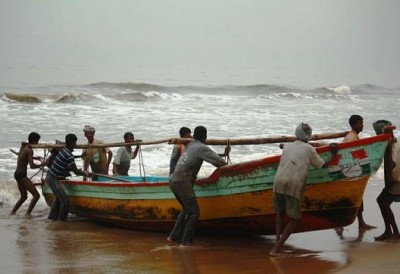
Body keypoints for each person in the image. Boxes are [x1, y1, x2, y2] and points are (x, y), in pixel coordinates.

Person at [270, 123, 338, 256]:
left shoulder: (287, 146)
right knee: (295, 219)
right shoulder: (309, 148)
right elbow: (321, 165)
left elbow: (283, 147)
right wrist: (334, 154)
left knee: (280, 213)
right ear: (309, 135)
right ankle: (276, 249)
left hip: (278, 181)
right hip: (293, 183)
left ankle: (277, 243)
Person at [167, 126, 230, 247]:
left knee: (186, 209)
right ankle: (186, 242)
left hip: (174, 181)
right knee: (194, 211)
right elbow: (220, 163)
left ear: (194, 136)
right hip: (183, 182)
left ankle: (173, 237)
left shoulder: (190, 145)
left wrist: (223, 154)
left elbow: (209, 155)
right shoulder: (201, 147)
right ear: (205, 137)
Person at [342, 115, 375, 229]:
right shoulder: (352, 138)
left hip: (351, 172)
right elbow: (348, 155)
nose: (362, 125)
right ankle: (355, 223)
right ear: (354, 125)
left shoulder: (352, 136)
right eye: (360, 123)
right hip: (351, 172)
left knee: (357, 198)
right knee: (355, 198)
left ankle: (360, 223)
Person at [45, 134, 88, 221]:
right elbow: (75, 171)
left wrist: (80, 170)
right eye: (75, 143)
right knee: (65, 202)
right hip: (53, 179)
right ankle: (61, 222)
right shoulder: (69, 155)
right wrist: (85, 173)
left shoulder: (63, 150)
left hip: (50, 177)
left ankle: (51, 219)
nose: (76, 145)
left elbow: (68, 164)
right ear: (73, 143)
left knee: (58, 200)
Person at [373, 120, 400, 241]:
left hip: (396, 180)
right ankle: (390, 231)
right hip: (397, 178)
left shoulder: (387, 146)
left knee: (382, 202)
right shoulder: (395, 142)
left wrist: (388, 185)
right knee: (382, 202)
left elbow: (390, 166)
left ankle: (394, 233)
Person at [10, 132, 46, 217]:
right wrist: (42, 164)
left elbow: (23, 156)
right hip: (22, 174)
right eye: (37, 141)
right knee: (36, 195)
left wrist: (35, 158)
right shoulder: (30, 150)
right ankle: (28, 214)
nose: (37, 143)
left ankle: (12, 212)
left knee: (23, 197)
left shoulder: (23, 146)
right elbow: (32, 166)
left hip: (17, 173)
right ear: (34, 141)